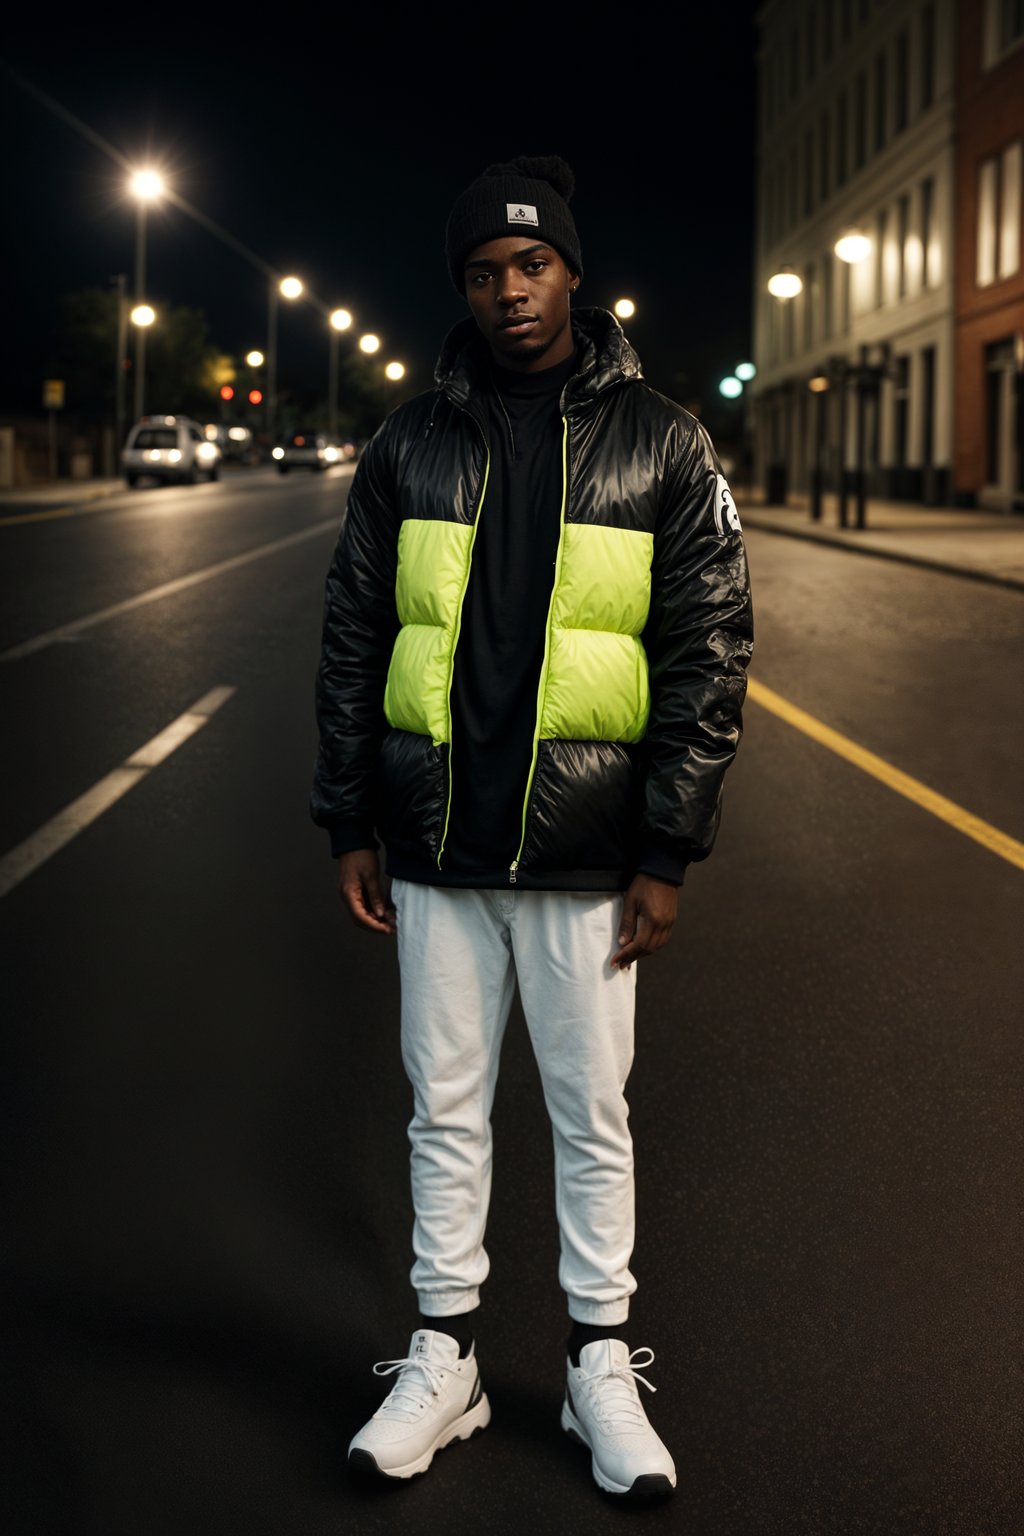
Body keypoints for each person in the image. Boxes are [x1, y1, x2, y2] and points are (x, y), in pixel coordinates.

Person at [310, 154, 753, 1501]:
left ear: (572, 272)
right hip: (437, 841)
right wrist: (348, 814)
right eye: (486, 274)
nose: (512, 291)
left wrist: (668, 844)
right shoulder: (407, 441)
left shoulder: (664, 442)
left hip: (582, 852)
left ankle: (598, 1367)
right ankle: (442, 1359)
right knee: (444, 1110)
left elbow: (709, 648)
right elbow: (351, 634)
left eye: (533, 265)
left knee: (588, 1112)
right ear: (465, 289)